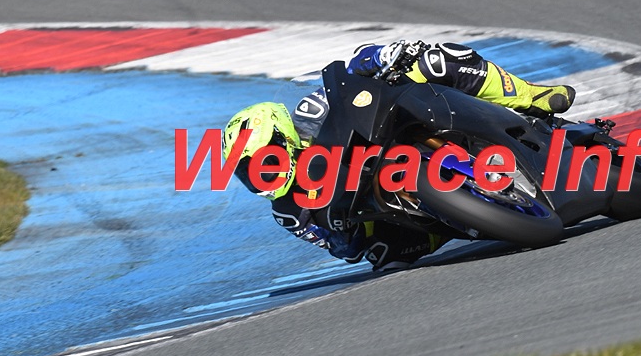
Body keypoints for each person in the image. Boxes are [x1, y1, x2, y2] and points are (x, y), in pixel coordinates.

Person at [221, 40, 577, 272]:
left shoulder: (309, 113)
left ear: (284, 138)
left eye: (266, 161)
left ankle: (532, 97)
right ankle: (459, 218)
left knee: (438, 60)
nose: (263, 175)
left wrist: (382, 56)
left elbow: (351, 73)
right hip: (380, 207)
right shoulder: (287, 211)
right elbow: (345, 250)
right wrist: (341, 231)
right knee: (382, 255)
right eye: (248, 174)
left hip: (389, 125)